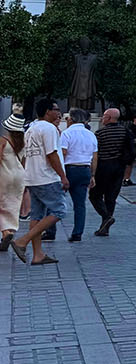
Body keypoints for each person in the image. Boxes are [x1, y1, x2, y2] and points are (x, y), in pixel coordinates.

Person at [13, 99, 68, 266]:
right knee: (59, 210)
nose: (59, 113)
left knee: (37, 215)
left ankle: (38, 254)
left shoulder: (31, 129)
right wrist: (63, 176)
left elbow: (24, 155)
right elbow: (52, 154)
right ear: (47, 111)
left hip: (32, 177)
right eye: (56, 109)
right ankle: (22, 241)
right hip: (46, 177)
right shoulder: (49, 128)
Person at [91, 107, 134, 237]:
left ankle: (106, 217)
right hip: (118, 167)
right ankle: (105, 226)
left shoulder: (99, 134)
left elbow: (94, 153)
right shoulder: (125, 132)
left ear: (109, 118)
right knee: (111, 197)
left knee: (94, 195)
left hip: (103, 167)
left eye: (103, 116)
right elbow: (132, 150)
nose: (102, 119)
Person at [60, 108, 98, 242]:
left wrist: (60, 173)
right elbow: (94, 156)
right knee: (80, 204)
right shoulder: (91, 135)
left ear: (71, 119)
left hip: (69, 169)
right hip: (85, 169)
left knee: (56, 200)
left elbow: (63, 153)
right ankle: (77, 232)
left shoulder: (66, 133)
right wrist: (92, 174)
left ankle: (50, 230)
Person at [1, 107, 26, 251]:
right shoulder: (22, 142)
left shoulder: (3, 141)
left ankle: (5, 232)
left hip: (4, 175)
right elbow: (24, 162)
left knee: (1, 206)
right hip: (19, 176)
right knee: (12, 205)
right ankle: (10, 230)